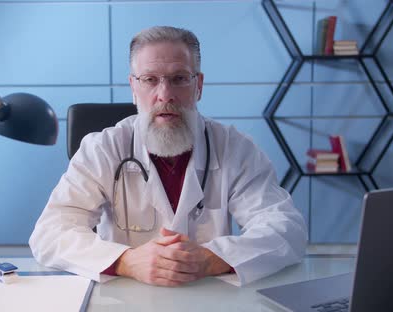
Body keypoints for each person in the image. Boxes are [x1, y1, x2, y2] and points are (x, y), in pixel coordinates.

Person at [29, 26, 307, 287]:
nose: (165, 95)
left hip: (207, 296)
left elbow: (286, 230)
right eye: (150, 80)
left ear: (198, 85)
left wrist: (212, 258)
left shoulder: (235, 148)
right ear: (133, 87)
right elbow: (50, 235)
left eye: (179, 79)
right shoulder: (101, 148)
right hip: (124, 297)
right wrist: (126, 261)